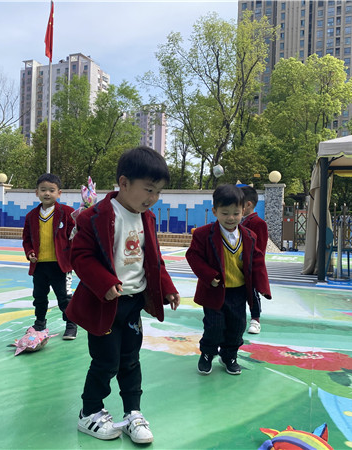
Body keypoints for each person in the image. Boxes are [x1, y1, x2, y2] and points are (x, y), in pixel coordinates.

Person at [66, 146, 180, 444]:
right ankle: (89, 412)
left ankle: (133, 413)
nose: (153, 198)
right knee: (106, 362)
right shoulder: (94, 217)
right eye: (149, 189)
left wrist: (167, 287)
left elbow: (154, 260)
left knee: (130, 360)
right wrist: (104, 282)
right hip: (103, 304)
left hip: (133, 303)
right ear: (124, 183)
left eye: (158, 192)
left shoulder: (147, 218)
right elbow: (80, 256)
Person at [186, 184, 271, 376]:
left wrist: (262, 286)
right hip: (214, 290)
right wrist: (209, 276)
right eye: (225, 213)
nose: (231, 218)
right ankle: (207, 354)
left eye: (236, 213)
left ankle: (229, 356)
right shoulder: (203, 234)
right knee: (214, 326)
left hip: (238, 291)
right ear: (215, 211)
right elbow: (193, 256)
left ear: (244, 211)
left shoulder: (249, 236)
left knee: (237, 326)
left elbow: (257, 261)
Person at [22, 173, 77, 339]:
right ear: (36, 192)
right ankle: (39, 323)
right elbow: (27, 239)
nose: (47, 193)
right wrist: (30, 252)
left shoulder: (67, 213)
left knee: (64, 298)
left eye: (51, 190)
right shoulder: (31, 216)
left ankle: (71, 324)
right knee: (39, 296)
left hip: (61, 265)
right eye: (43, 190)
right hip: (39, 265)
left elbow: (75, 236)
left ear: (59, 193)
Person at [240, 185, 268, 335]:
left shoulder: (258, 223)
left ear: (248, 204)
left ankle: (255, 320)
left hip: (250, 265)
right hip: (236, 264)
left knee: (252, 293)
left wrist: (254, 265)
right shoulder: (238, 221)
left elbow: (260, 249)